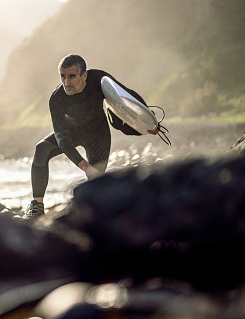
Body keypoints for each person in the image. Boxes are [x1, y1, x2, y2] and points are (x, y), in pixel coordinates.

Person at [25, 54, 158, 219]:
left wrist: (148, 120)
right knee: (41, 149)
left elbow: (127, 96)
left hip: (98, 135)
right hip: (72, 133)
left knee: (96, 187)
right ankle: (37, 206)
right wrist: (85, 166)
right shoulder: (56, 99)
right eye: (62, 76)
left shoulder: (99, 78)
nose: (66, 82)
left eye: (71, 76)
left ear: (84, 75)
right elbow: (62, 139)